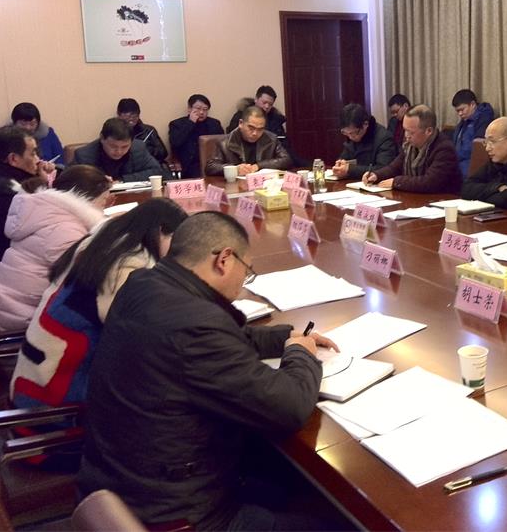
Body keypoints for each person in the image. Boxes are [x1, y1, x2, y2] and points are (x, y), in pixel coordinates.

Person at [77, 211, 340, 529]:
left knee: (285, 481)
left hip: (126, 479)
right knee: (338, 522)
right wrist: (301, 354)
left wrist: (284, 338)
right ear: (224, 260)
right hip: (176, 513)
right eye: (247, 271)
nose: (243, 283)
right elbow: (290, 406)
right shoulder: (196, 325)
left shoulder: (144, 285)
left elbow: (221, 340)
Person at [11, 199, 188, 415]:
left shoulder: (100, 247)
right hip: (56, 401)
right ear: (160, 231)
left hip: (36, 379)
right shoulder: (124, 267)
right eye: (176, 242)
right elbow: (145, 334)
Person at [0, 165, 111, 344]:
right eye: (104, 202)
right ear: (87, 199)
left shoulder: (42, 213)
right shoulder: (65, 229)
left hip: (0, 310)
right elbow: (87, 281)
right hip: (21, 326)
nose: (103, 210)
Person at [0, 126, 54, 280]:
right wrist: (42, 184)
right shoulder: (8, 191)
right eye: (33, 153)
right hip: (0, 272)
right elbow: (44, 223)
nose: (38, 159)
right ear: (13, 159)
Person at [362, 105, 462, 193]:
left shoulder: (444, 149)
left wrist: (396, 182)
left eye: (411, 132)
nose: (406, 136)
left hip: (442, 201)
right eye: (405, 130)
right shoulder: (409, 146)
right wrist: (376, 175)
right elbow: (394, 167)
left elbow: (430, 182)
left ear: (429, 131)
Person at [226, 86, 308, 167]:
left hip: (270, 160)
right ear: (256, 99)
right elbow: (231, 140)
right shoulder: (241, 116)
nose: (267, 106)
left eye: (270, 104)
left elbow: (284, 147)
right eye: (264, 102)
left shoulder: (276, 119)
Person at [206, 106, 294, 176]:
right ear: (241, 123)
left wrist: (259, 166)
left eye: (260, 129)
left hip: (263, 186)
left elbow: (286, 160)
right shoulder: (224, 142)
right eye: (251, 128)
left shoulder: (271, 139)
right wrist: (235, 169)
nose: (255, 133)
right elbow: (211, 167)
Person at [74, 118, 170, 182]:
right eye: (113, 146)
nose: (119, 151)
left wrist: (122, 180)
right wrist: (99, 183)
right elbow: (72, 184)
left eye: (124, 147)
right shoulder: (84, 156)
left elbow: (157, 171)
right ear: (102, 138)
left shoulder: (138, 147)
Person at [332, 103, 398, 180]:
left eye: (353, 133)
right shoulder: (353, 135)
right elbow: (345, 157)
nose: (350, 137)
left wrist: (350, 169)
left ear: (365, 124)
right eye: (345, 133)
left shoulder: (384, 138)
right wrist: (340, 165)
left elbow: (383, 169)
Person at [168, 94, 225, 179]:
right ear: (189, 109)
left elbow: (222, 144)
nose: (201, 112)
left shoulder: (214, 124)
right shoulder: (176, 124)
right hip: (189, 164)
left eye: (205, 109)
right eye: (198, 108)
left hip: (212, 163)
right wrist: (190, 123)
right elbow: (175, 143)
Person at [451, 89, 495, 176]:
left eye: (462, 109)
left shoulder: (483, 120)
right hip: (458, 165)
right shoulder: (464, 121)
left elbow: (475, 149)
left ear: (473, 104)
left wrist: (452, 156)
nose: (460, 114)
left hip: (469, 169)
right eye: (457, 111)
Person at [116, 98, 169, 164]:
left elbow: (163, 153)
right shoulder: (113, 132)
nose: (131, 119)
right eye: (128, 116)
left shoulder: (149, 130)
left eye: (135, 116)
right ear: (119, 115)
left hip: (148, 165)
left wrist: (145, 149)